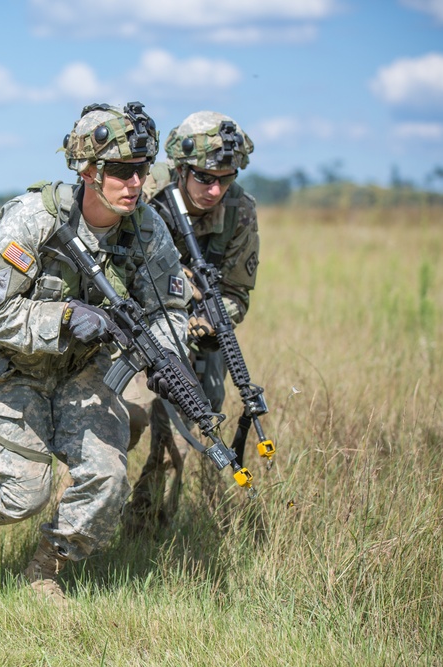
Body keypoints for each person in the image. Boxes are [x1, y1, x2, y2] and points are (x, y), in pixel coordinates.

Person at [0, 102, 191, 602]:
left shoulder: (148, 231)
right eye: (122, 171)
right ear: (88, 170)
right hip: (13, 369)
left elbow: (171, 308)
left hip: (86, 373)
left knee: (107, 482)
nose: (135, 182)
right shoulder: (34, 221)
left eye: (142, 170)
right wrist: (63, 318)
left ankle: (45, 568)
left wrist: (161, 354)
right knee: (22, 493)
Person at [121, 111, 260, 532]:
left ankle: (144, 527)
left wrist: (202, 322)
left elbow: (236, 295)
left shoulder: (240, 212)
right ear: (180, 168)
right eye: (203, 177)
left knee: (186, 428)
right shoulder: (140, 192)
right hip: (132, 325)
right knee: (122, 417)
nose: (215, 189)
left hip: (198, 334)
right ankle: (77, 515)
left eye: (226, 177)